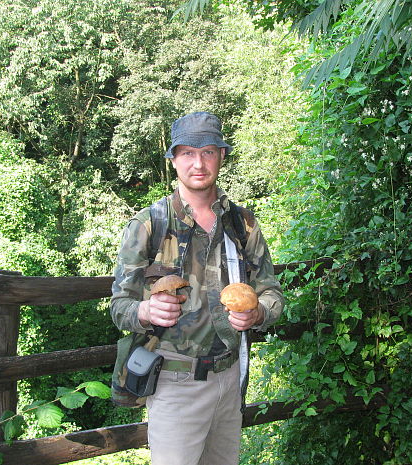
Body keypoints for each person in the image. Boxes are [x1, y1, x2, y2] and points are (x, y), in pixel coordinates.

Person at [110, 111, 284, 465]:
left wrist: (259, 312)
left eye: (208, 151)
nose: (198, 162)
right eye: (187, 152)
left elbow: (272, 292)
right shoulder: (148, 225)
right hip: (176, 385)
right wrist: (144, 311)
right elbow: (119, 307)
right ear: (173, 160)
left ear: (221, 155)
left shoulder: (243, 223)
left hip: (231, 377)